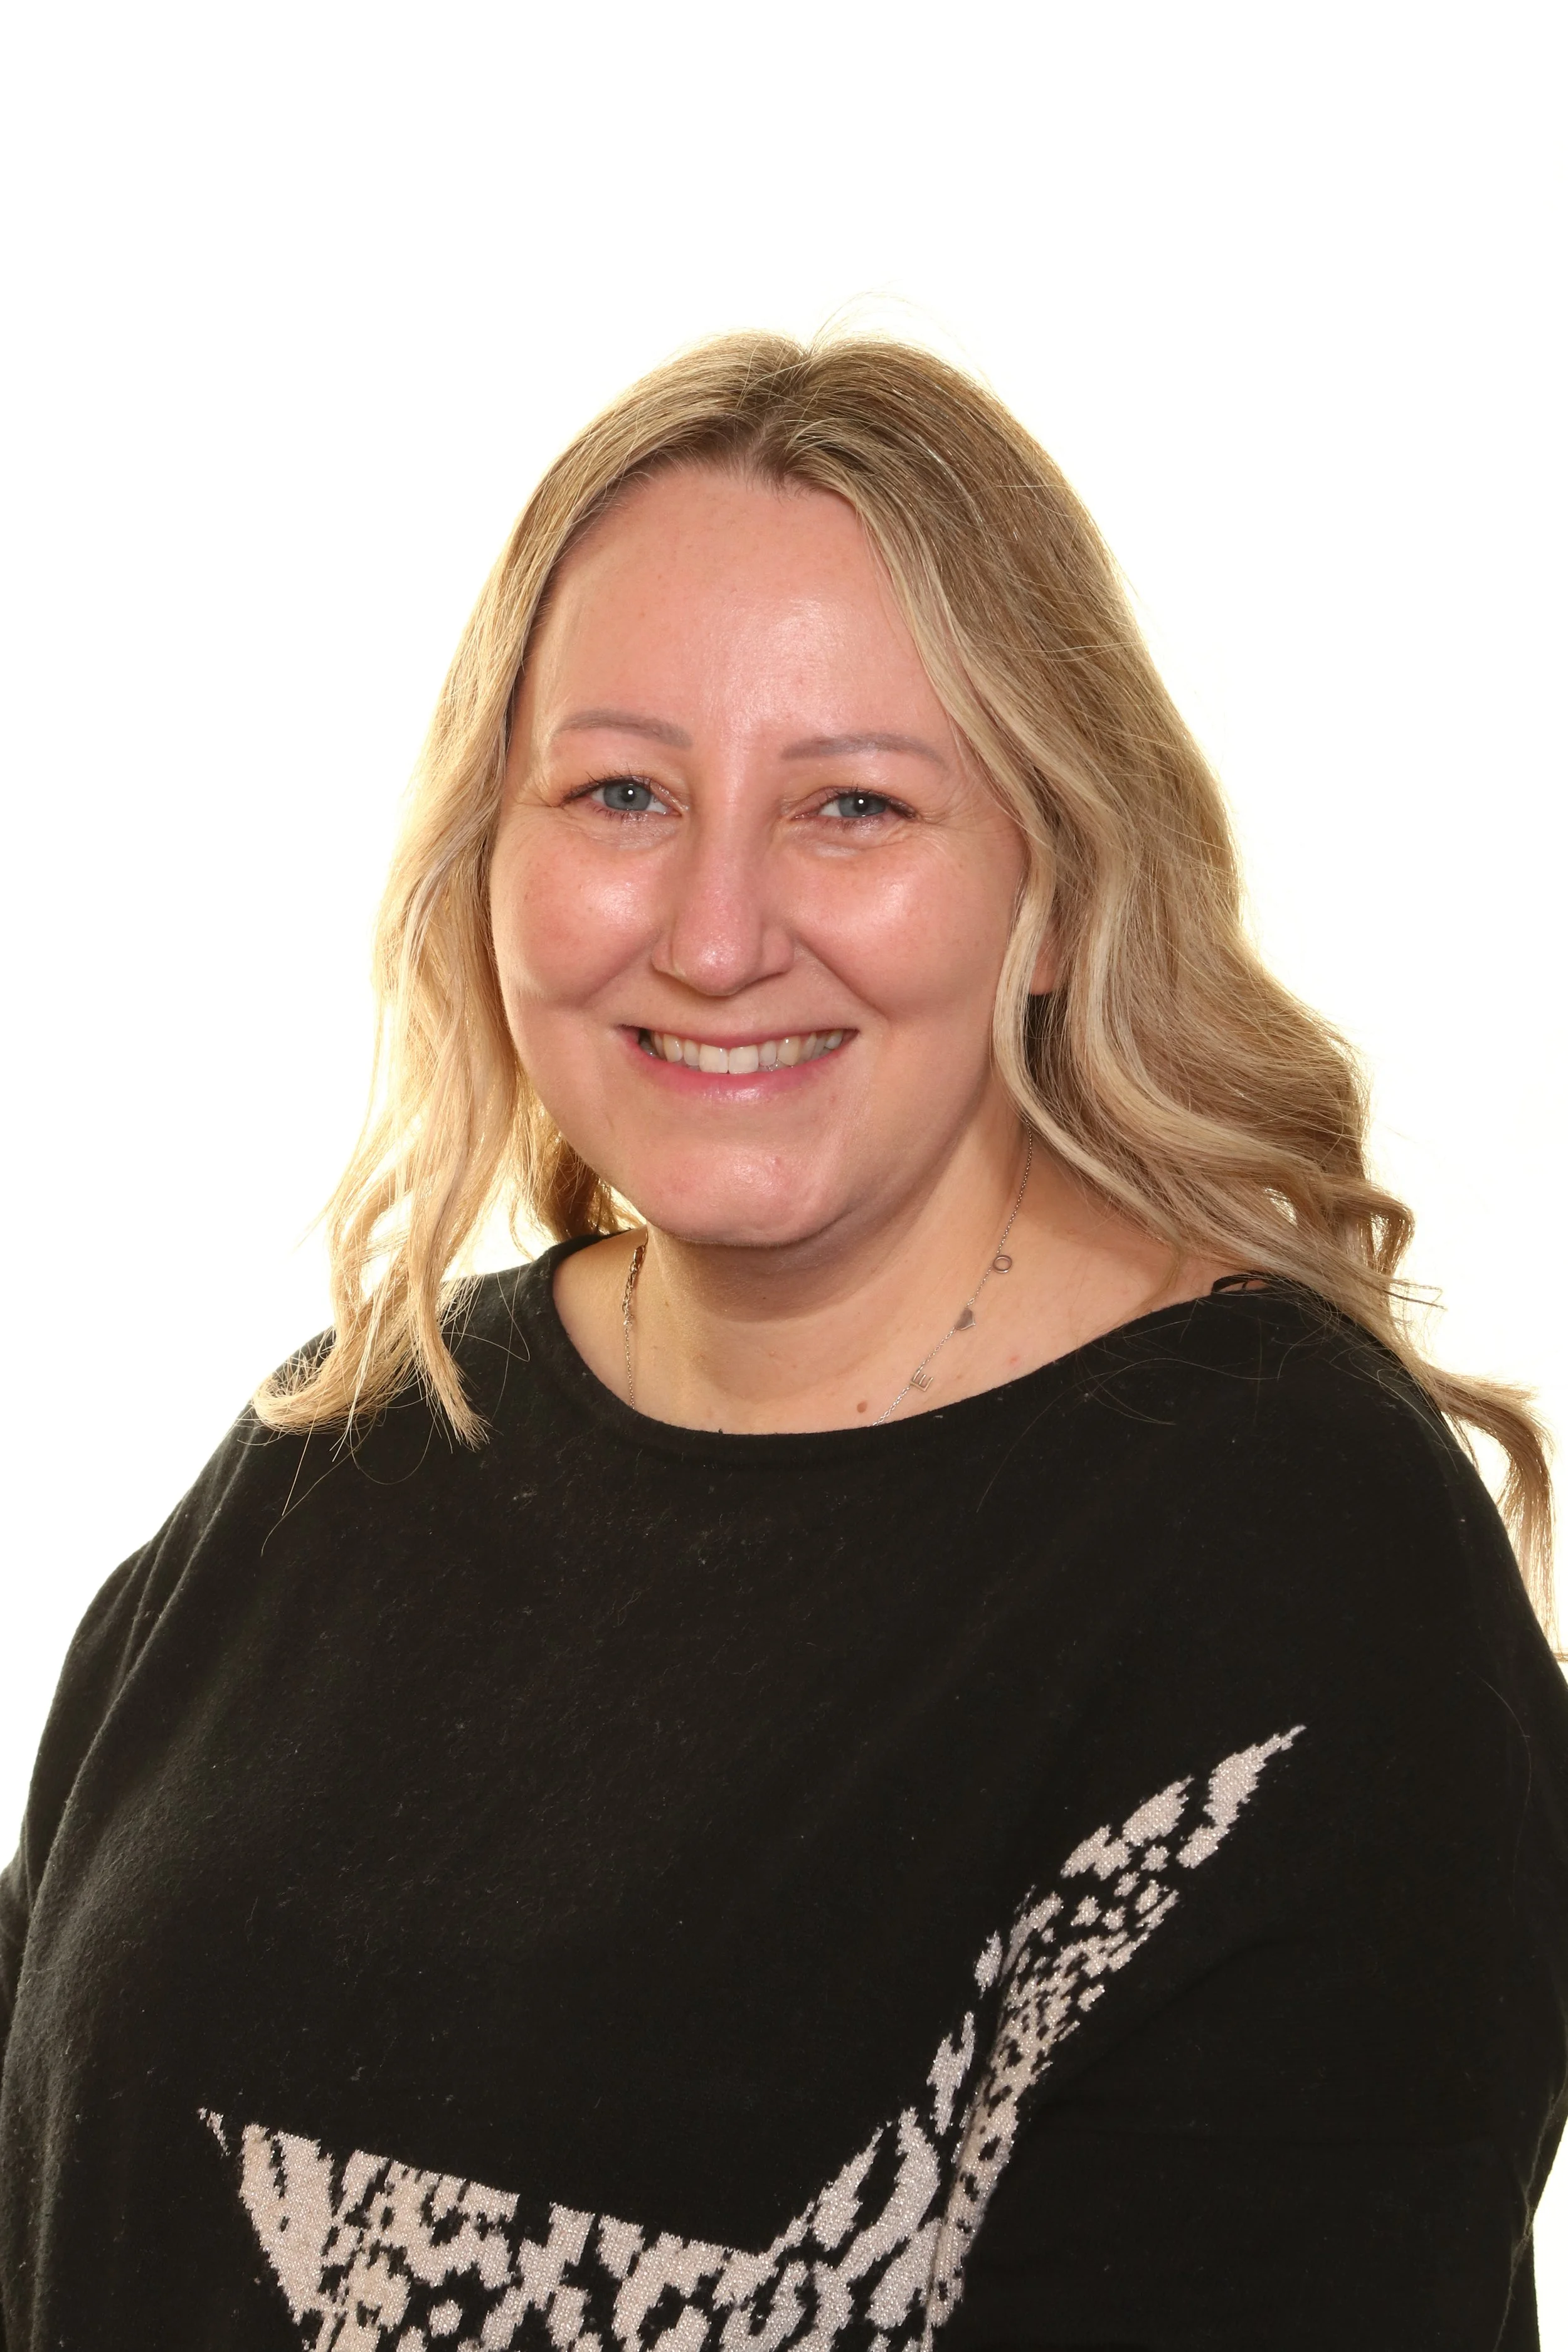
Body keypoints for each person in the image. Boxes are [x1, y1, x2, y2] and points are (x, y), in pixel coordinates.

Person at [2, 334, 1565, 2352]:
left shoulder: (1290, 1568)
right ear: (496, 849)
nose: (715, 930)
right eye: (622, 791)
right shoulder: (332, 1459)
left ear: (1065, 875)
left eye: (851, 805)